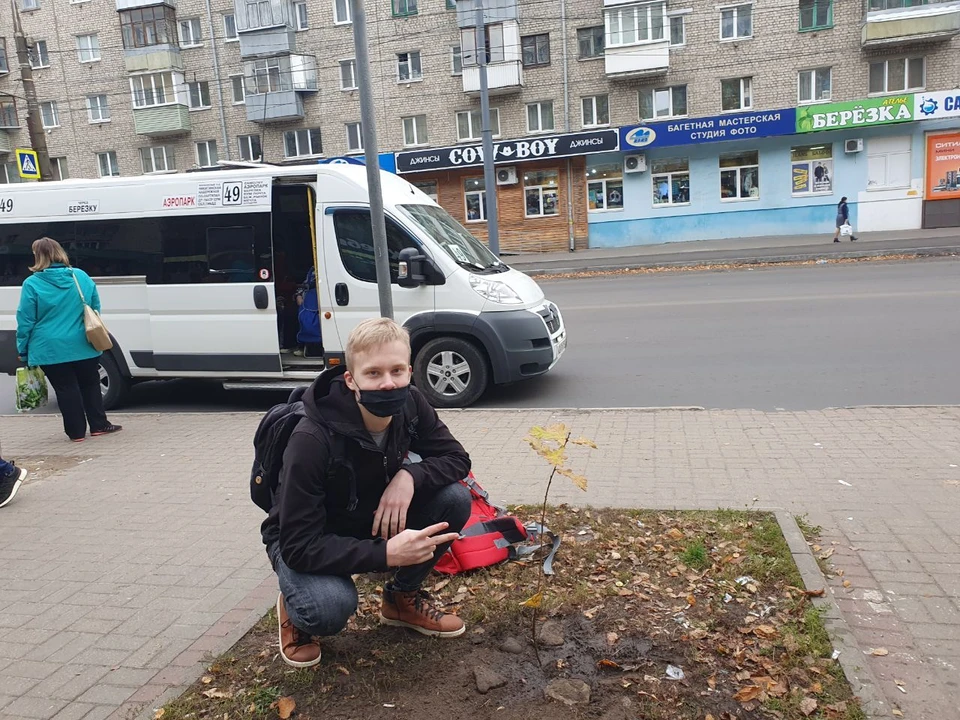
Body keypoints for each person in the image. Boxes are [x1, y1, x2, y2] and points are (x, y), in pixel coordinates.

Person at [260, 318, 472, 668]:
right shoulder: (310, 439)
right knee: (329, 608)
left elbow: (457, 458)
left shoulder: (412, 404)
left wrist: (410, 476)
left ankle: (400, 600)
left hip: (365, 516)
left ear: (410, 371)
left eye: (397, 371)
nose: (389, 384)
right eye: (373, 373)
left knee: (454, 499)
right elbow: (298, 545)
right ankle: (296, 612)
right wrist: (386, 553)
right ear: (351, 380)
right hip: (306, 538)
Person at [16, 238, 122, 442]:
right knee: (90, 384)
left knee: (66, 389)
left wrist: (23, 349)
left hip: (49, 348)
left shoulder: (32, 283)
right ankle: (99, 425)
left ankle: (76, 433)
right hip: (84, 342)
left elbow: (26, 320)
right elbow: (94, 306)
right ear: (60, 252)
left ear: (37, 256)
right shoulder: (79, 276)